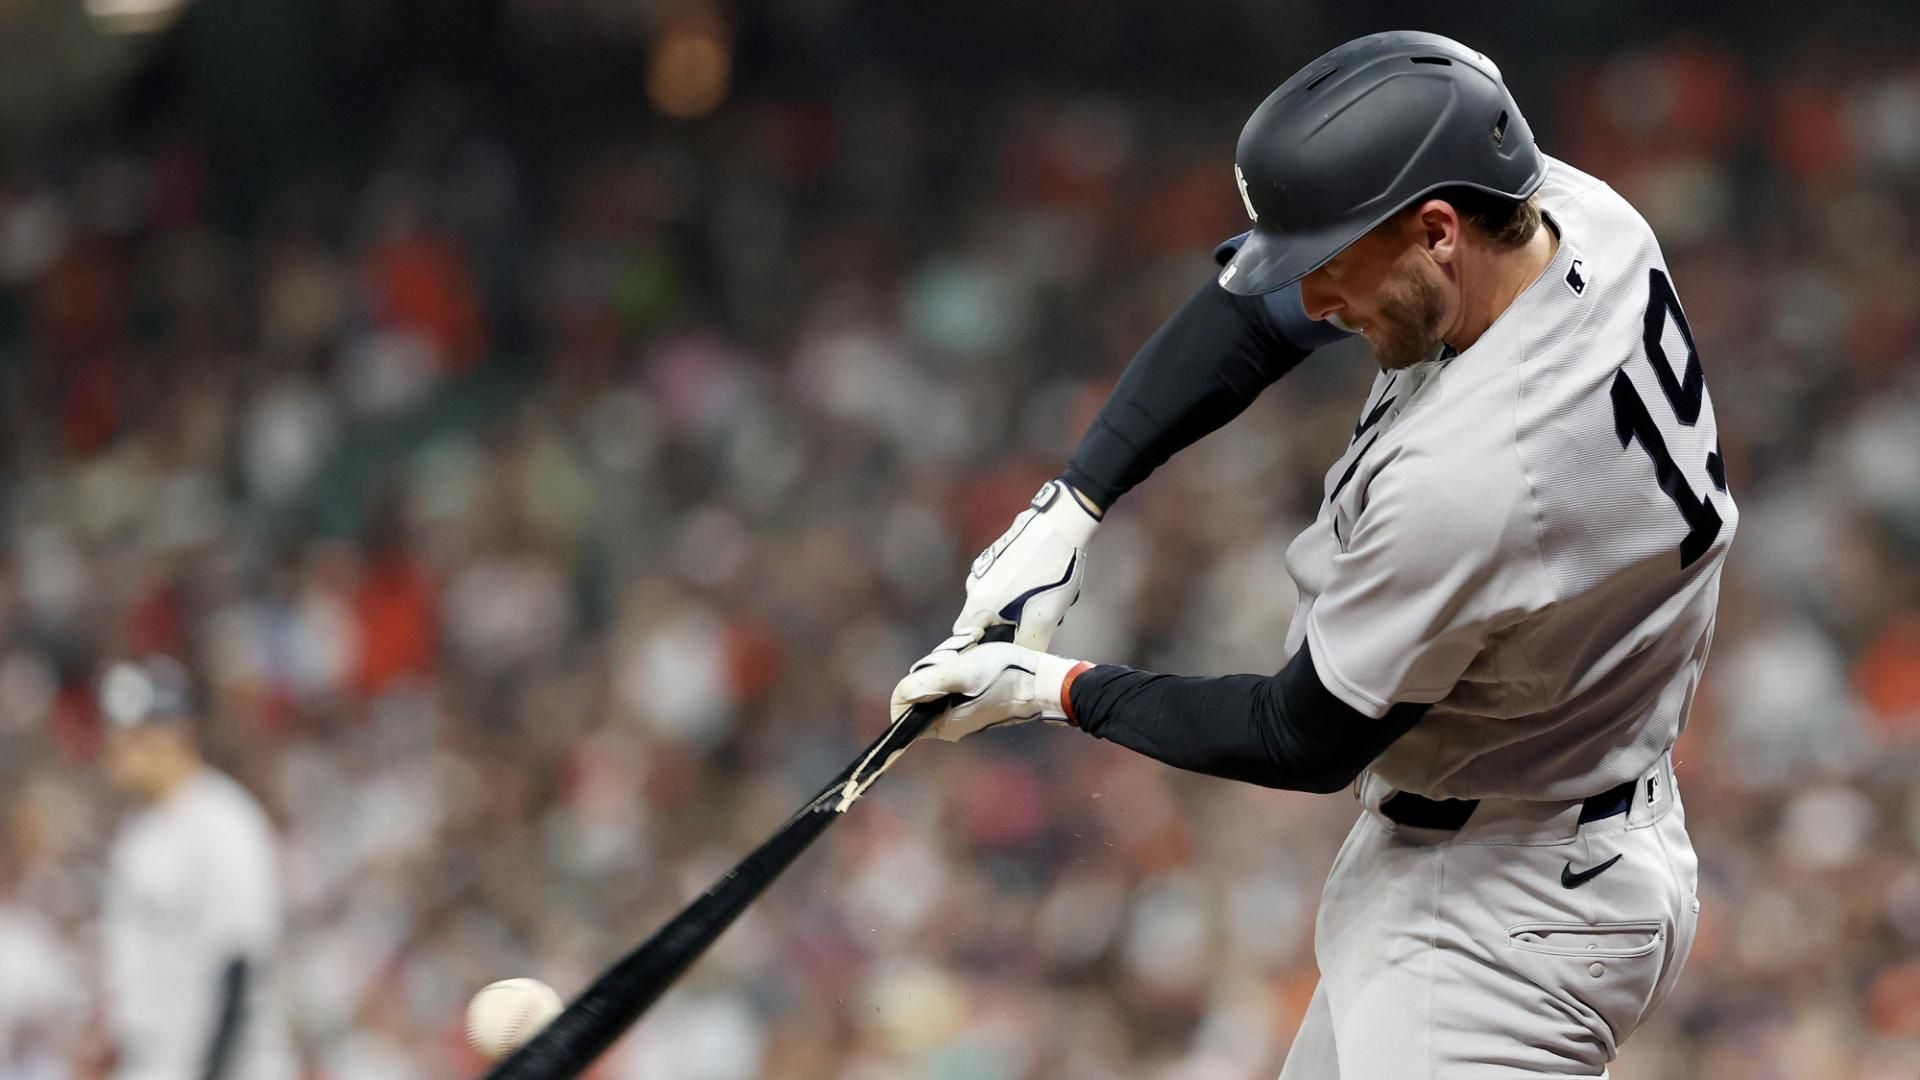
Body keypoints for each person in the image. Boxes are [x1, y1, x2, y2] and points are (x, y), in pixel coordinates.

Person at [892, 30, 1734, 1078]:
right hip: (1558, 835)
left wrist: (1053, 690)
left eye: (1332, 267)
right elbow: (1259, 315)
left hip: (1500, 921)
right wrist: (1074, 501)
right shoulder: (1575, 215)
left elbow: (1302, 736)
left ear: (1437, 232)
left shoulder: (1480, 474)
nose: (1316, 301)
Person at [96, 657, 298, 1080]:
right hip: (157, 1060)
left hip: (232, 1066)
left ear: (174, 733)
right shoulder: (139, 833)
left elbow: (240, 965)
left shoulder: (224, 822)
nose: (117, 750)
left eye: (134, 736)